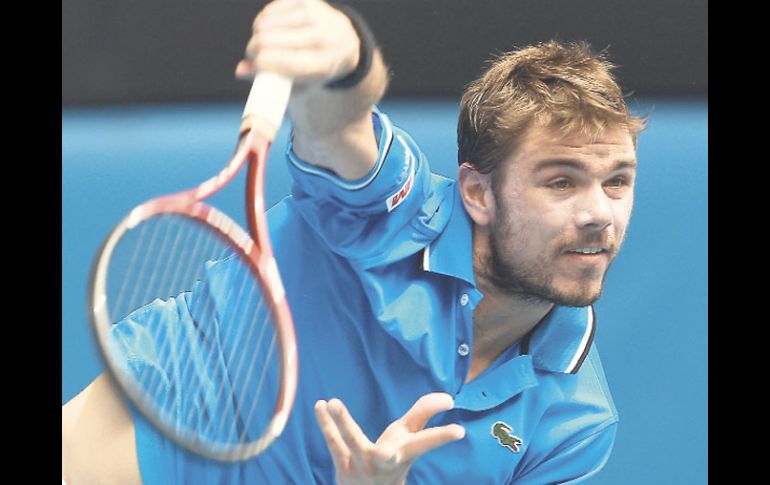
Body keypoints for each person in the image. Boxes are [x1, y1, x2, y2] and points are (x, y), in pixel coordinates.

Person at [61, 0, 646, 483]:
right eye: (561, 182)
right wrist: (345, 58)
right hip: (132, 452)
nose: (599, 214)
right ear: (478, 193)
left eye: (617, 181)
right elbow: (338, 124)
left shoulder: (576, 423)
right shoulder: (396, 212)